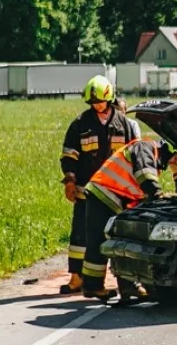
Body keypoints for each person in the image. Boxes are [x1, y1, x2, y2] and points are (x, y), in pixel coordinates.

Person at [58, 76, 137, 295]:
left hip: (116, 194)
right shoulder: (81, 124)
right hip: (87, 193)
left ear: (110, 98)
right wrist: (70, 180)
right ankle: (77, 278)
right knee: (81, 237)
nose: (96, 106)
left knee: (117, 235)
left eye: (100, 102)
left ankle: (124, 282)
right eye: (92, 103)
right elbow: (69, 155)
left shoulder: (124, 124)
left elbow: (133, 155)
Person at [81, 139, 177, 301]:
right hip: (106, 194)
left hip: (109, 195)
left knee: (114, 241)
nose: (174, 163)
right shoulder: (146, 147)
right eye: (174, 158)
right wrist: (157, 195)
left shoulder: (149, 151)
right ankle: (97, 286)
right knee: (103, 241)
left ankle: (119, 287)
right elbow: (144, 175)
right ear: (167, 150)